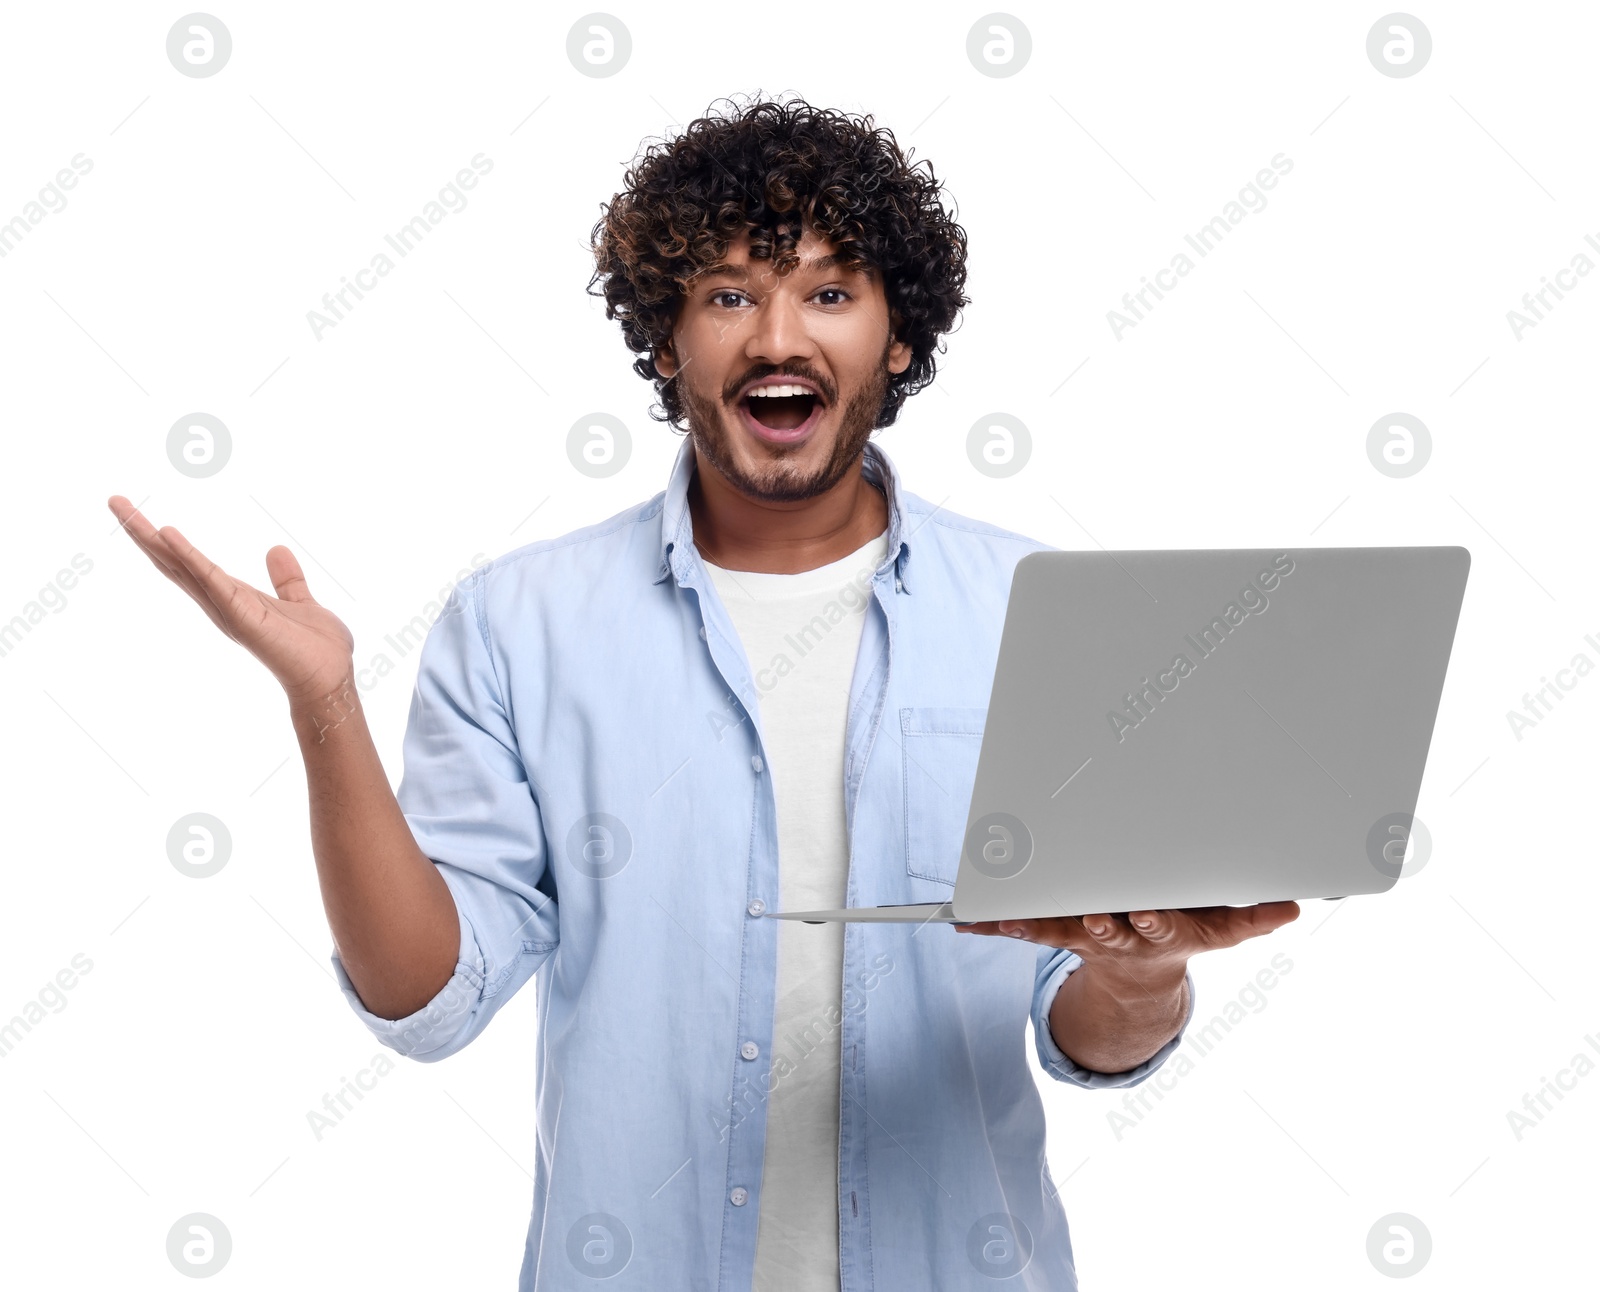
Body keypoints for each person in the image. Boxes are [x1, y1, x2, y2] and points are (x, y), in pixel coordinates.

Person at [108, 96, 1297, 1291]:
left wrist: (1142, 971)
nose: (779, 336)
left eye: (830, 292)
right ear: (667, 340)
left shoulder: (1035, 612)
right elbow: (430, 999)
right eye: (729, 294)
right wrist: (324, 704)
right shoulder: (520, 625)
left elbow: (1083, 1031)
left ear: (896, 337)